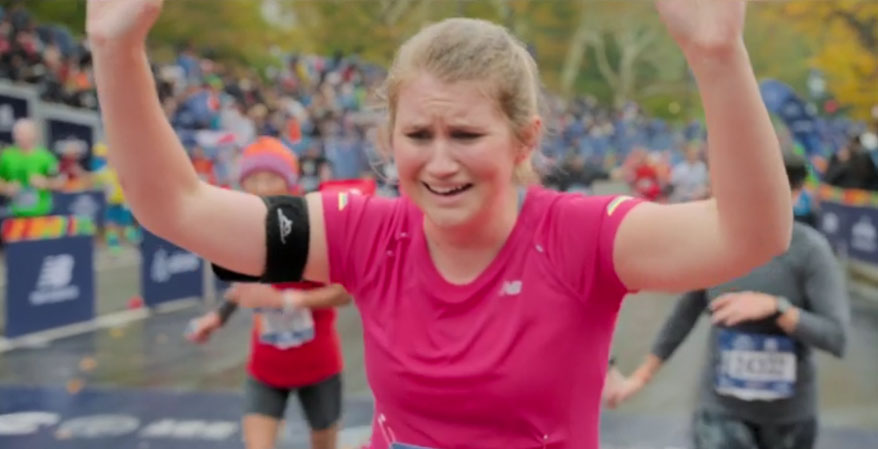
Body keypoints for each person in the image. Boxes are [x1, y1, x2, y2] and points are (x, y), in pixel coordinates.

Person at [87, 1, 793, 447]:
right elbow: (174, 205)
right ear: (389, 137)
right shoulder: (365, 230)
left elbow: (752, 233)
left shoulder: (580, 238)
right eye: (418, 133)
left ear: (524, 140)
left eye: (466, 133)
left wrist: (716, 55)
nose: (440, 161)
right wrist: (114, 49)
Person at [605, 153, 849, 449]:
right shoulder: (718, 244)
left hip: (788, 420)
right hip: (720, 415)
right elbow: (684, 315)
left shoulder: (811, 252)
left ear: (796, 195)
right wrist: (639, 378)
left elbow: (836, 337)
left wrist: (777, 308)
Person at [187, 137, 352, 449]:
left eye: (271, 178)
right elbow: (243, 289)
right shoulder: (245, 235)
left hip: (319, 365)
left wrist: (289, 300)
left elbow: (344, 293)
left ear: (289, 184)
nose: (262, 187)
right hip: (266, 368)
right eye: (253, 179)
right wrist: (217, 317)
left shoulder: (313, 229)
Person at [0, 118, 61, 217]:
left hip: (42, 213)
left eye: (25, 133)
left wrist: (45, 182)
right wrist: (6, 188)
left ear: (34, 135)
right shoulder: (6, 156)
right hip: (14, 214)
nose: (21, 137)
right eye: (18, 133)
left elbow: (59, 182)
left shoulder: (45, 157)